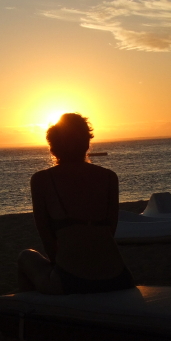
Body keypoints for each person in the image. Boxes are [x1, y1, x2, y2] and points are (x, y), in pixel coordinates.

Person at [17, 113, 135, 294]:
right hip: (119, 278)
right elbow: (110, 230)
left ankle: (31, 309)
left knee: (25, 256)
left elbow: (46, 235)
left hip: (72, 280)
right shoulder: (109, 177)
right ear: (87, 143)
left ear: (52, 147)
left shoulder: (42, 180)